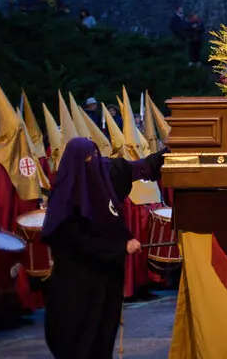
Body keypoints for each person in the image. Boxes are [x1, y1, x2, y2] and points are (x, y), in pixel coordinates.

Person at [42, 137, 167, 359]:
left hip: (103, 288)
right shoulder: (65, 201)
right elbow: (79, 242)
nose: (94, 162)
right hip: (76, 290)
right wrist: (120, 246)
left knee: (101, 343)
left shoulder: (103, 179)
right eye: (89, 159)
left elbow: (139, 168)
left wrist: (172, 151)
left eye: (96, 156)